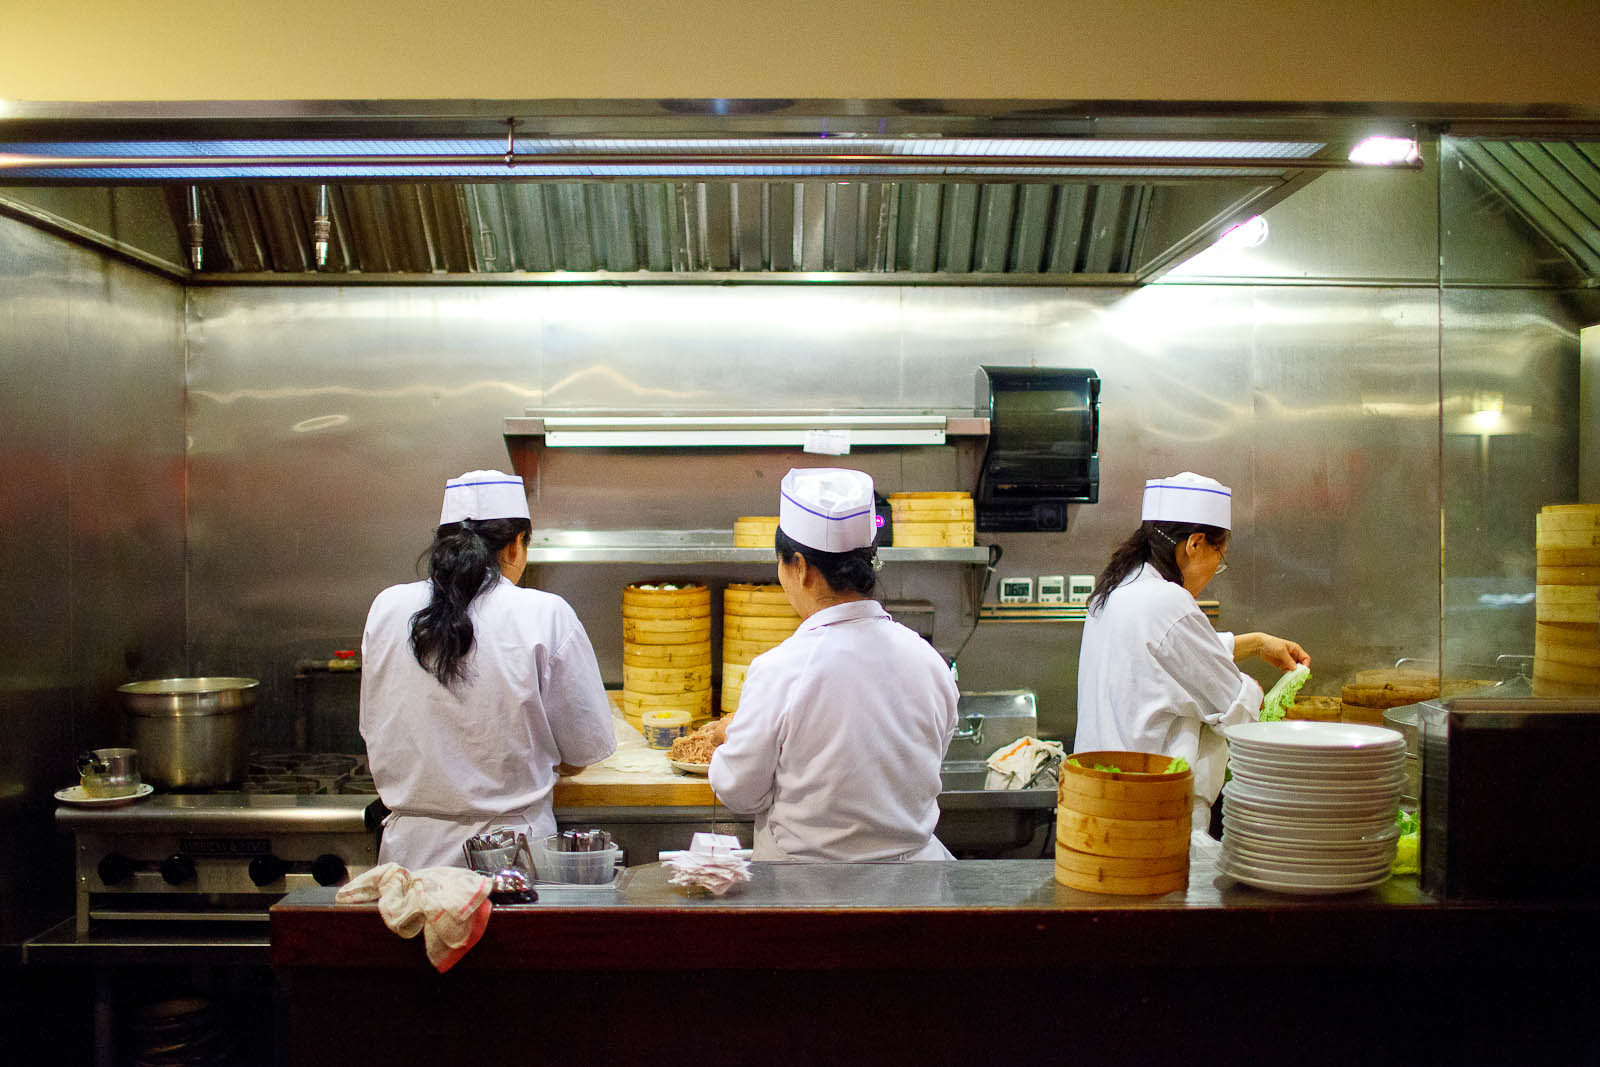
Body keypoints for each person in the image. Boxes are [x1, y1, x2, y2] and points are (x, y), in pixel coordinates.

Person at [360, 469, 616, 868]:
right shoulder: (545, 614)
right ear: (516, 547)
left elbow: (374, 724)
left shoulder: (387, 608)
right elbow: (583, 750)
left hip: (411, 860)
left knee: (418, 932)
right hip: (512, 859)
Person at [707, 467, 959, 861]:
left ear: (801, 568)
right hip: (914, 899)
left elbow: (740, 791)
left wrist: (729, 739)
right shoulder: (929, 662)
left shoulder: (780, 669)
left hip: (809, 900)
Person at [1074, 471, 1310, 835]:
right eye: (1220, 555)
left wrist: (1258, 642)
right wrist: (1265, 696)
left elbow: (1166, 660)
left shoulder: (1120, 589)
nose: (1217, 569)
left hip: (1102, 804)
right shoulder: (1170, 602)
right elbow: (1238, 707)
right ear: (1195, 544)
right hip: (1155, 815)